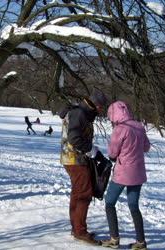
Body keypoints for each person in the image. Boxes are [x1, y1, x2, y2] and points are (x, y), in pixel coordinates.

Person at [59, 89, 108, 245]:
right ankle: (80, 231)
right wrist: (90, 149)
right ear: (97, 104)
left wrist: (92, 150)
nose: (102, 110)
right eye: (102, 107)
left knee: (78, 192)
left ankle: (76, 227)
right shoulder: (80, 113)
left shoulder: (82, 112)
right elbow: (74, 138)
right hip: (75, 159)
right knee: (84, 193)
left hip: (74, 158)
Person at [101, 101, 150, 250]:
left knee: (109, 203)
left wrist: (115, 157)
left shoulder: (120, 129)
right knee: (134, 206)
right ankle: (141, 242)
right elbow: (146, 147)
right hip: (138, 173)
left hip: (123, 173)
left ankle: (114, 239)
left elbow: (112, 153)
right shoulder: (139, 126)